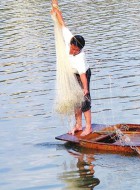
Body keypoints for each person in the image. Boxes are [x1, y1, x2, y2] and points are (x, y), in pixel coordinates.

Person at [51, 0, 92, 136]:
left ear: (80, 50)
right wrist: (56, 9)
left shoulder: (80, 58)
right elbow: (62, 24)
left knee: (84, 99)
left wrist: (85, 89)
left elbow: (83, 76)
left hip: (83, 75)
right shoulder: (69, 37)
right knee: (75, 99)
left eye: (76, 50)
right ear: (71, 43)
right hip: (72, 74)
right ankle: (79, 125)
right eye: (73, 48)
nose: (73, 51)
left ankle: (89, 127)